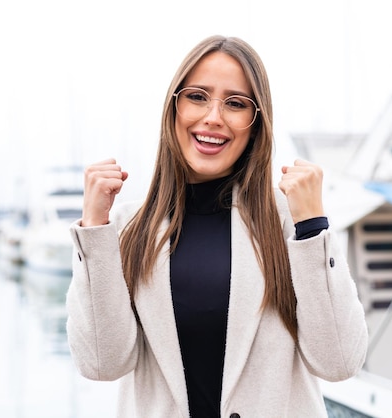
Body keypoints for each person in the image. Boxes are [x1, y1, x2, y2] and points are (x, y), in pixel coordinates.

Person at [65, 35, 368, 417]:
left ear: (256, 124)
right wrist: (94, 229)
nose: (213, 117)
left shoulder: (288, 221)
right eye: (197, 96)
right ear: (173, 108)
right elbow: (101, 364)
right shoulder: (128, 228)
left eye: (235, 103)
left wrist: (311, 226)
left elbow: (339, 362)